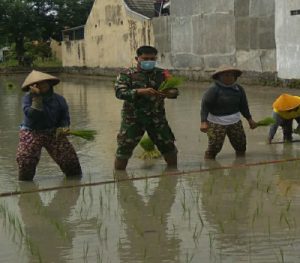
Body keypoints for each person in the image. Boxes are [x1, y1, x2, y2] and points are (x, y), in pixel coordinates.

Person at [114, 45, 178, 170]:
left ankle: (172, 177)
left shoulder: (162, 74)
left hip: (157, 118)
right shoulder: (127, 74)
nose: (149, 61)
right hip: (133, 119)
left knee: (169, 147)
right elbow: (120, 93)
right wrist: (140, 92)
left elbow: (175, 91)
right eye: (145, 59)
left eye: (152, 59)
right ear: (137, 58)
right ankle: (120, 178)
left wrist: (169, 93)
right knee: (124, 150)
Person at [16, 70, 82, 180]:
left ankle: (74, 183)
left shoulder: (59, 99)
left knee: (69, 160)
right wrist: (37, 98)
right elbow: (33, 115)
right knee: (26, 160)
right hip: (32, 131)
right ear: (33, 87)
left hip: (53, 131)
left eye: (44, 83)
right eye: (37, 84)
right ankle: (25, 186)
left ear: (49, 83)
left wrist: (63, 127)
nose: (42, 86)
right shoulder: (28, 99)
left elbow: (64, 116)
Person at [200, 65, 257, 159]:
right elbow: (205, 105)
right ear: (219, 77)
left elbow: (243, 106)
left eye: (231, 75)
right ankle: (210, 165)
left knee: (241, 145)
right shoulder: (213, 89)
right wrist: (203, 122)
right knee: (214, 147)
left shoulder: (239, 89)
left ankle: (240, 165)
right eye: (226, 75)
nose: (229, 77)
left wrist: (250, 119)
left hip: (235, 121)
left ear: (235, 77)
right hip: (217, 122)